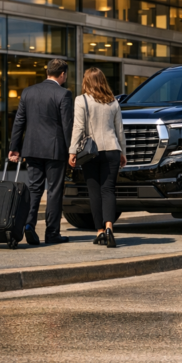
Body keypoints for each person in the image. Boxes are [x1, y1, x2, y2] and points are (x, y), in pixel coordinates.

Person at [8, 59, 74, 245]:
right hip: (55, 150)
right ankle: (52, 233)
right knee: (54, 191)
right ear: (62, 74)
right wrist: (72, 151)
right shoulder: (64, 94)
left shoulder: (28, 92)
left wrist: (14, 148)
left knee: (34, 189)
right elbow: (67, 126)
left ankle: (29, 225)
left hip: (32, 148)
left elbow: (19, 121)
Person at [69, 68, 127, 248]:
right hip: (112, 150)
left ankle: (100, 231)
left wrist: (72, 151)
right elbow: (120, 131)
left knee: (94, 192)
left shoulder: (81, 100)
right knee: (108, 190)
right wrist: (123, 152)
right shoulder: (113, 102)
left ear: (86, 81)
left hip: (91, 153)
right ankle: (110, 227)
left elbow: (78, 128)